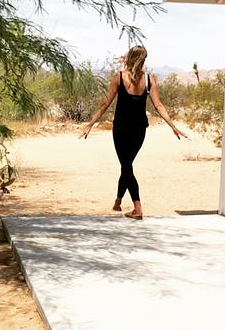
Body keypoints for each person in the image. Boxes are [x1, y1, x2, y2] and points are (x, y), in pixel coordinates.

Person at [79, 45, 187, 220]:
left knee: (126, 166)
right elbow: (159, 106)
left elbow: (105, 104)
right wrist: (173, 126)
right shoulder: (149, 80)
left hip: (121, 129)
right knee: (126, 165)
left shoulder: (120, 77)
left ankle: (138, 209)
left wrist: (90, 124)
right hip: (139, 130)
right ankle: (118, 200)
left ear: (129, 58)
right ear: (144, 60)